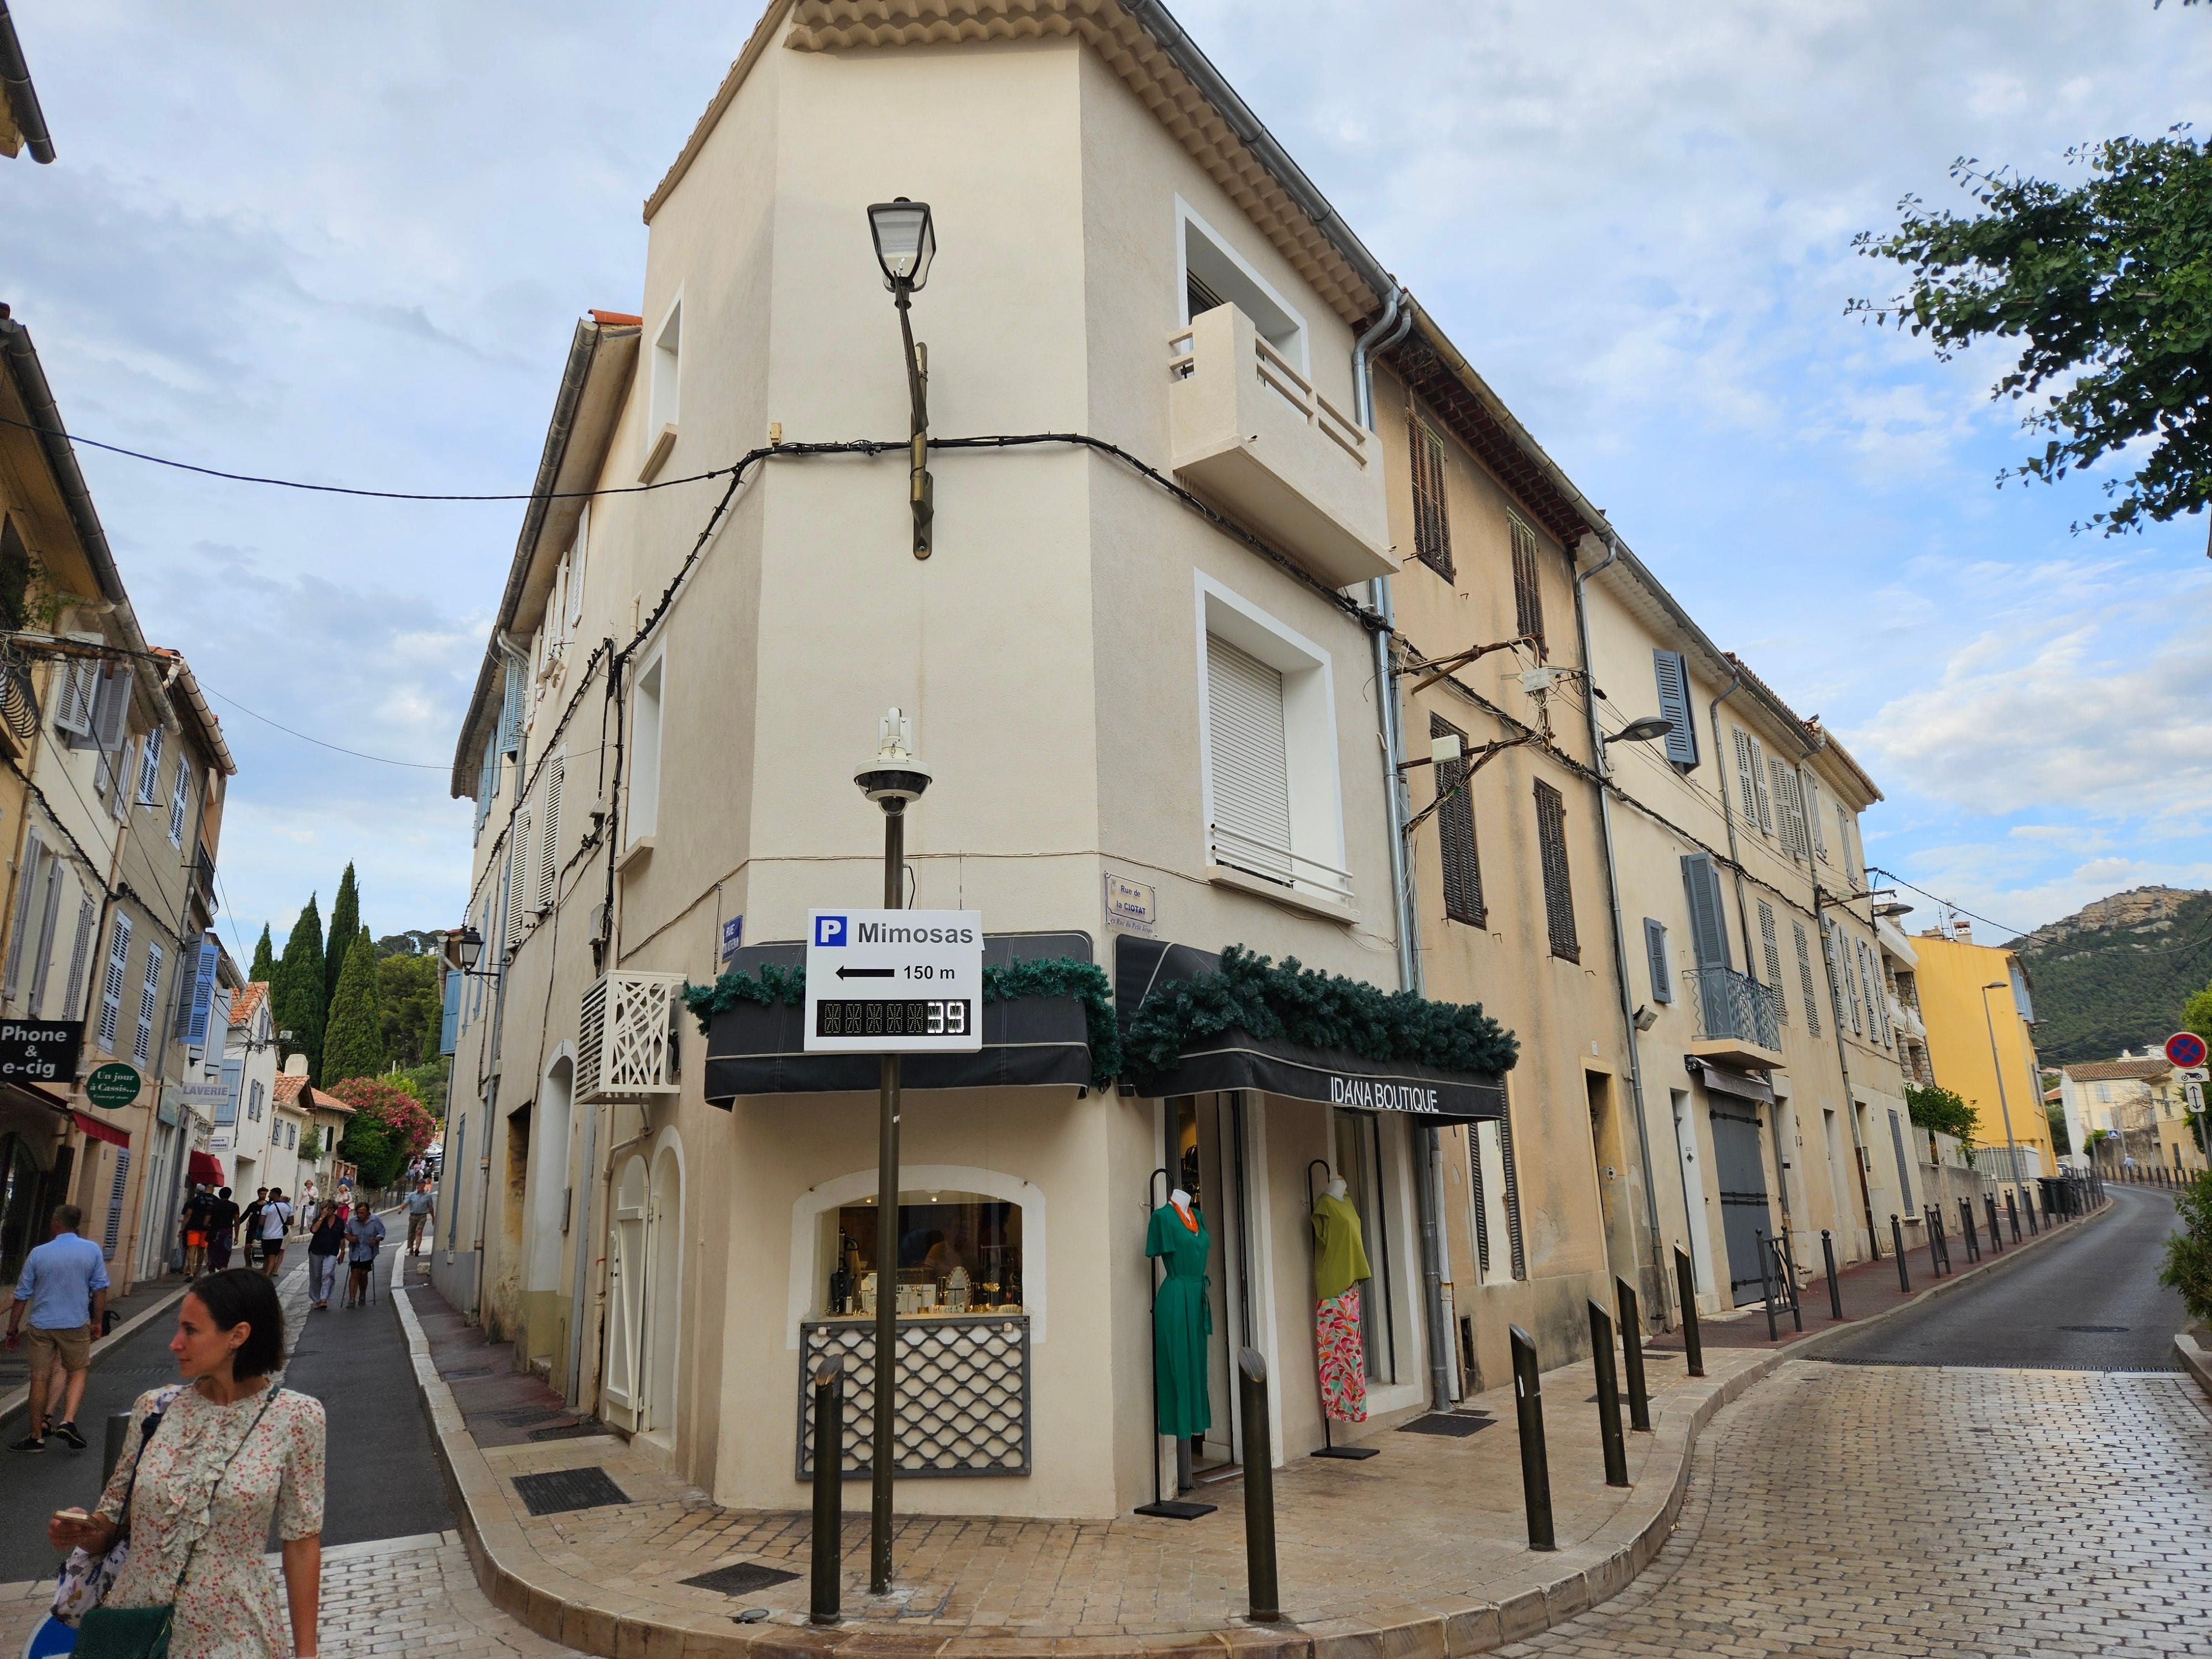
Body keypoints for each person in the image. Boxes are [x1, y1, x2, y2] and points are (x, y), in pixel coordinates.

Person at [48, 1267, 324, 1659]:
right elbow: (110, 1523)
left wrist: (307, 1653)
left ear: (238, 1335)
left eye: (191, 1330)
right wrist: (80, 1530)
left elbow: (301, 1543)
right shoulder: (154, 1409)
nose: (175, 1343)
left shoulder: (298, 1418)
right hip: (136, 1628)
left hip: (233, 1634)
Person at [6, 1206, 109, 1452]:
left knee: (39, 1378)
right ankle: (68, 1420)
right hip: (75, 1324)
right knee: (78, 1371)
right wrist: (97, 1321)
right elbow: (100, 1288)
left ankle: (35, 1437)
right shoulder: (91, 1250)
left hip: (41, 1325)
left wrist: (12, 1330)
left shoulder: (38, 1253)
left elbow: (22, 1295)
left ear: (55, 1222)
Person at [305, 1202, 346, 1311]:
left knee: (328, 1273)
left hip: (332, 1251)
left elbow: (342, 1237)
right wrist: (322, 1218)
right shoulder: (319, 1219)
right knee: (316, 1276)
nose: (326, 1210)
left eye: (329, 1208)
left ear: (334, 1209)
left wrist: (343, 1252)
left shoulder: (339, 1221)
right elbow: (314, 1230)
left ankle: (324, 1299)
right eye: (324, 1208)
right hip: (316, 1250)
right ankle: (317, 1299)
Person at [343, 1205, 384, 1308]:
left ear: (368, 1213)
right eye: (358, 1213)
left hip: (368, 1251)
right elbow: (346, 1232)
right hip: (356, 1251)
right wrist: (351, 1239)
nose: (359, 1215)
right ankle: (352, 1299)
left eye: (362, 1213)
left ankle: (362, 1295)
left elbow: (382, 1233)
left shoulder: (375, 1220)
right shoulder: (353, 1221)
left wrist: (375, 1240)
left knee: (363, 1273)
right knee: (355, 1272)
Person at [257, 1189, 294, 1277]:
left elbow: (261, 1223)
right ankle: (268, 1274)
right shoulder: (288, 1207)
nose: (269, 1196)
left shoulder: (267, 1207)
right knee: (273, 1256)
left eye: (270, 1194)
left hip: (266, 1235)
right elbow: (291, 1222)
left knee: (266, 1256)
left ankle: (266, 1272)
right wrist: (280, 1222)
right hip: (278, 1236)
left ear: (274, 1194)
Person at [181, 1185, 213, 1277]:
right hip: (206, 1229)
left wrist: (183, 1228)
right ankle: (198, 1271)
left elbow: (188, 1214)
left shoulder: (194, 1200)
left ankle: (191, 1271)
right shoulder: (215, 1200)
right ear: (213, 1190)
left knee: (192, 1249)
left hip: (193, 1227)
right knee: (202, 1249)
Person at [207, 1186, 239, 1272]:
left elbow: (206, 1222)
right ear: (230, 1195)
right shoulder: (234, 1206)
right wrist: (236, 1236)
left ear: (219, 1194)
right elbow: (237, 1222)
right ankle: (223, 1270)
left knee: (212, 1252)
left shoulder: (212, 1206)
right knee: (225, 1254)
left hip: (214, 1232)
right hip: (227, 1232)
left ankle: (211, 1272)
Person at [239, 1189, 269, 1271]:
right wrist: (237, 1223)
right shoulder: (253, 1205)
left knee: (262, 1248)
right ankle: (248, 1264)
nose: (263, 1196)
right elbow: (245, 1215)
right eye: (261, 1194)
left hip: (263, 1230)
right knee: (248, 1247)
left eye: (265, 1194)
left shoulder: (268, 1205)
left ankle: (263, 1265)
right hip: (252, 1229)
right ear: (258, 1194)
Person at [404, 1179, 435, 1257]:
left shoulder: (428, 1196)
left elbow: (430, 1207)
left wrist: (433, 1217)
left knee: (419, 1232)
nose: (418, 1187)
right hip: (413, 1216)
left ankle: (417, 1249)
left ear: (424, 1185)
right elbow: (405, 1203)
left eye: (420, 1185)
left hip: (422, 1216)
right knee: (412, 1234)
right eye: (417, 1185)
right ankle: (411, 1248)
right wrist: (401, 1209)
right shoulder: (412, 1195)